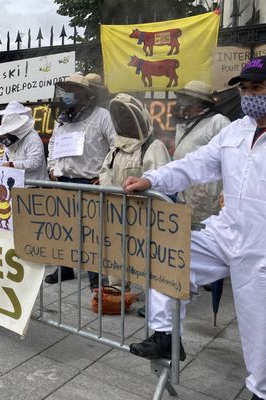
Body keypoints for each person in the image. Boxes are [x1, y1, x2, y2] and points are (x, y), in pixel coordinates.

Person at [123, 56, 266, 400]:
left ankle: (260, 391)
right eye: (245, 89)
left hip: (261, 246)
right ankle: (165, 335)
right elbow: (194, 164)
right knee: (169, 256)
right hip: (226, 230)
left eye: (256, 88)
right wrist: (151, 178)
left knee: (258, 327)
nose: (248, 95)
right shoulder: (235, 131)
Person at [45, 74, 116, 285]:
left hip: (90, 182)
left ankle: (96, 275)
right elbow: (52, 145)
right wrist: (52, 167)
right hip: (64, 180)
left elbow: (116, 146)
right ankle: (65, 268)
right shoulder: (63, 120)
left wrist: (106, 175)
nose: (68, 95)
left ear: (86, 94)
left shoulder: (102, 116)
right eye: (66, 90)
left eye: (73, 90)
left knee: (91, 231)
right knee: (65, 229)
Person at [99, 94, 171, 289]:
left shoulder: (153, 147)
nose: (124, 122)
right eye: (121, 119)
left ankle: (154, 300)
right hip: (116, 214)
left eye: (129, 118)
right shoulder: (116, 149)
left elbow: (161, 182)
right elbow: (105, 174)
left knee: (149, 258)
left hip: (145, 217)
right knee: (116, 252)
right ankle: (118, 291)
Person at [170, 80, 231, 230]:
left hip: (207, 196)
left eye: (187, 99)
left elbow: (230, 161)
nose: (182, 103)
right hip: (184, 193)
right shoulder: (182, 124)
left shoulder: (218, 122)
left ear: (199, 103)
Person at [0, 109, 48, 181]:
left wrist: (12, 165)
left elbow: (34, 162)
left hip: (35, 184)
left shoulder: (32, 138)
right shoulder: (15, 140)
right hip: (20, 182)